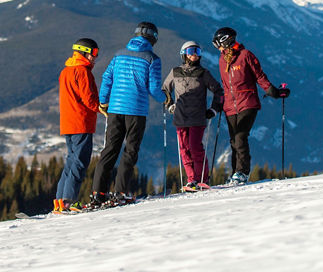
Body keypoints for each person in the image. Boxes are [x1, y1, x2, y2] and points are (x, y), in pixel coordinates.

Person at [87, 21, 167, 208]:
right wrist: (166, 99)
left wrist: (104, 101)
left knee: (109, 149)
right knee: (130, 151)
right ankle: (120, 193)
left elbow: (107, 77)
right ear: (153, 38)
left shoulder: (119, 55)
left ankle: (98, 193)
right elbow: (154, 88)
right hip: (136, 111)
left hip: (115, 109)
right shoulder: (152, 59)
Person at [212, 27, 290, 186]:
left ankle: (242, 172)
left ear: (226, 41)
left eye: (218, 44)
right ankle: (235, 173)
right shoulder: (222, 60)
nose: (218, 48)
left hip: (247, 102)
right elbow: (225, 84)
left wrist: (273, 91)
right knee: (234, 141)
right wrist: (221, 101)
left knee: (240, 136)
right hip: (229, 106)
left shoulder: (246, 55)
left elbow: (259, 76)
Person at [162, 40, 224, 191]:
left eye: (197, 52)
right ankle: (191, 180)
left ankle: (201, 178)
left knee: (195, 147)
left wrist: (214, 109)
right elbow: (164, 89)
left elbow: (218, 90)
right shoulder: (175, 72)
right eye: (191, 52)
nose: (195, 56)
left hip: (198, 116)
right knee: (184, 149)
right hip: (181, 116)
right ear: (184, 55)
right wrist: (169, 105)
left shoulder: (203, 73)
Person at [54, 38, 104, 214]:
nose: (95, 58)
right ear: (84, 52)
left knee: (71, 161)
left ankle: (60, 201)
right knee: (80, 163)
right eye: (94, 53)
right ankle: (69, 201)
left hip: (68, 123)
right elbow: (89, 99)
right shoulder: (83, 72)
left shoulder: (65, 71)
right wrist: (102, 108)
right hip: (81, 122)